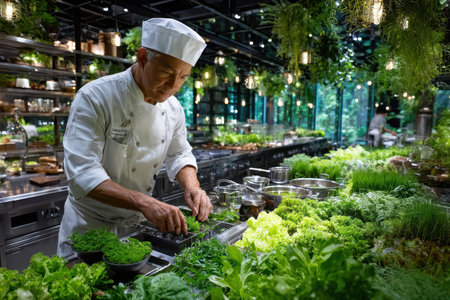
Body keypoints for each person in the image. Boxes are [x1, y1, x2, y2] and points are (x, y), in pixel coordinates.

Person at [57, 18, 212, 257]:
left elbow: (179, 153)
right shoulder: (95, 97)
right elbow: (83, 173)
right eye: (167, 72)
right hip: (89, 227)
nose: (173, 86)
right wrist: (144, 202)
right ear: (142, 58)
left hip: (136, 229)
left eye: (182, 77)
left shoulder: (173, 109)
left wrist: (193, 186)